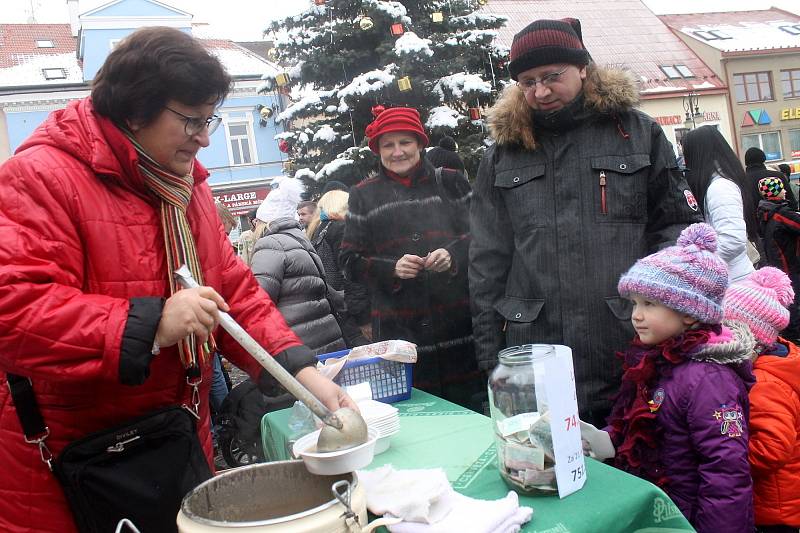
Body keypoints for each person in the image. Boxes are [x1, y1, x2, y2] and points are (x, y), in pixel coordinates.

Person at [0, 27, 355, 533]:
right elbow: (14, 311)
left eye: (209, 119)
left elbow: (233, 293)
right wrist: (152, 323)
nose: (205, 137)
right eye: (191, 120)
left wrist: (299, 372)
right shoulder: (41, 177)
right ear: (133, 110)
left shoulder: (184, 185)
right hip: (70, 466)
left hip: (172, 442)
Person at [469, 17, 702, 426]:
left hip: (627, 343)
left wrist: (662, 308)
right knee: (547, 475)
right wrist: (493, 358)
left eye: (550, 76)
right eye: (527, 82)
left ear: (582, 68)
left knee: (639, 469)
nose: (539, 91)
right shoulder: (502, 154)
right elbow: (486, 260)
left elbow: (676, 227)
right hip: (535, 353)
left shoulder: (636, 133)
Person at [606, 223, 755, 533]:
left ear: (688, 313)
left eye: (649, 304)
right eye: (634, 303)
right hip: (660, 513)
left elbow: (726, 472)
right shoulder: (655, 360)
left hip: (688, 521)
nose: (636, 315)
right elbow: (639, 422)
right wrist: (603, 438)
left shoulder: (709, 380)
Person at [340, 106, 483, 410]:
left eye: (405, 142)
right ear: (377, 150)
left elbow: (483, 235)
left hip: (459, 330)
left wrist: (452, 254)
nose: (397, 152)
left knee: (468, 414)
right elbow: (349, 260)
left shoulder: (451, 181)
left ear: (420, 143)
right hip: (401, 338)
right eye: (387, 145)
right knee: (416, 417)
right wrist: (391, 268)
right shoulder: (363, 195)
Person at [724, 267, 800, 533]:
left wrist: (725, 457)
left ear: (751, 341)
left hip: (774, 508)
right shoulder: (770, 364)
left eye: (728, 334)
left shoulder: (765, 384)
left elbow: (772, 448)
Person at [250, 181, 347, 356]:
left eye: (257, 221)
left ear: (264, 221)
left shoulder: (270, 244)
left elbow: (259, 301)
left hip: (297, 345)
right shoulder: (300, 239)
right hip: (325, 337)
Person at [683, 126, 760, 281]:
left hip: (734, 281)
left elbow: (732, 239)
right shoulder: (717, 183)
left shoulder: (720, 187)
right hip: (731, 277)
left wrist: (697, 263)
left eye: (686, 154)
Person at [306, 190, 370, 347]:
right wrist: (364, 318)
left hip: (335, 306)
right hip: (350, 308)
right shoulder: (342, 228)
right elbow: (351, 274)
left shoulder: (320, 229)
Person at [756, 177, 800, 341]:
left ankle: (790, 332)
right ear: (775, 192)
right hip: (788, 263)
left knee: (787, 300)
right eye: (781, 189)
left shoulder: (764, 211)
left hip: (777, 262)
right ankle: (794, 335)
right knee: (794, 300)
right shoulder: (781, 213)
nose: (786, 191)